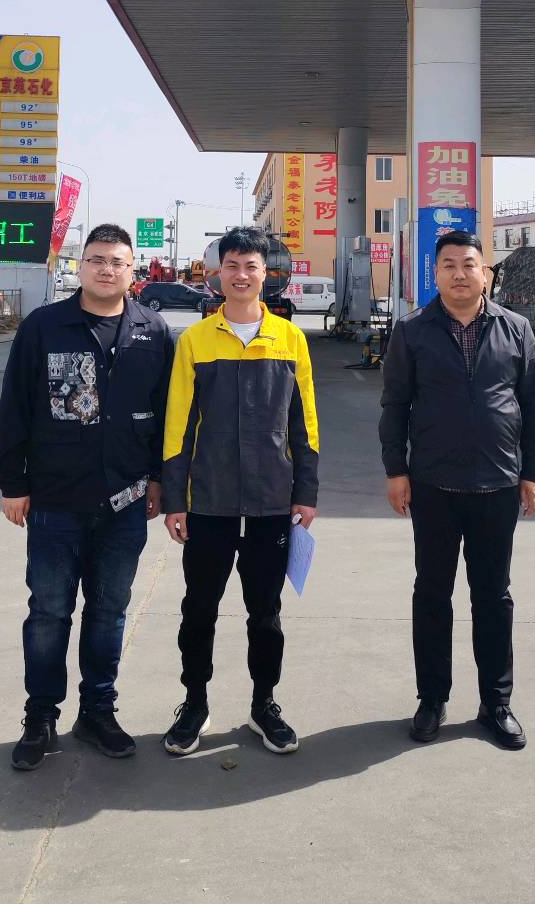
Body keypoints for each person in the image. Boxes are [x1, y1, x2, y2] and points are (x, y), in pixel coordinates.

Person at [0, 223, 174, 768]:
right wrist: (13, 483)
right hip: (56, 499)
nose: (106, 269)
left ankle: (98, 712)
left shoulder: (153, 331)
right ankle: (40, 717)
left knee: (109, 612)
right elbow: (14, 407)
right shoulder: (45, 327)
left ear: (133, 270)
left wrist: (160, 479)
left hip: (125, 500)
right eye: (97, 259)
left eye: (118, 261)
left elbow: (167, 413)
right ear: (81, 265)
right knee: (49, 612)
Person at [378, 230, 535, 750]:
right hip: (433, 484)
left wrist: (533, 471)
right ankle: (432, 699)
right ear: (435, 274)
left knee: (493, 596)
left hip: (498, 483)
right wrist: (396, 470)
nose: (459, 273)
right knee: (432, 593)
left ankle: (496, 703)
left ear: (485, 273)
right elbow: (395, 405)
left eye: (469, 264)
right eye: (449, 265)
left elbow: (534, 405)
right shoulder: (412, 331)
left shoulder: (516, 329)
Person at [161, 227, 319, 756]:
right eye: (232, 265)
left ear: (265, 274)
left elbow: (305, 423)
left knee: (265, 612)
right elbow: (178, 425)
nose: (242, 274)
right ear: (218, 273)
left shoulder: (290, 339)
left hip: (272, 502)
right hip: (210, 502)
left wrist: (306, 490)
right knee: (198, 609)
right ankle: (194, 703)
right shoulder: (195, 341)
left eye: (251, 265)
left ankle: (263, 704)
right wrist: (176, 499)